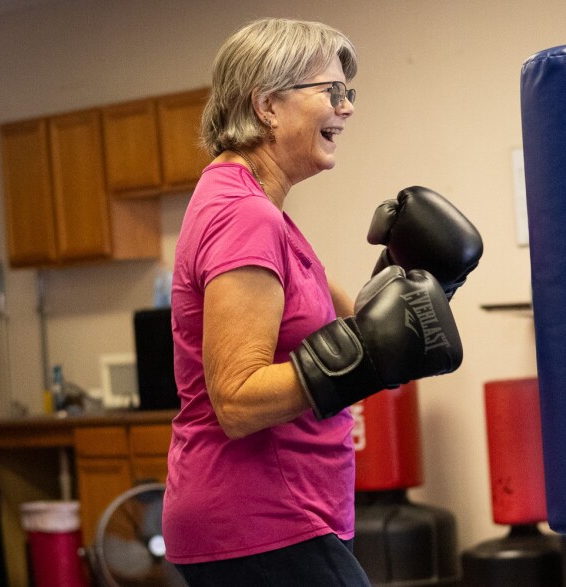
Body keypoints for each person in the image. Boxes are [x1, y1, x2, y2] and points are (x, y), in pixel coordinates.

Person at [163, 17, 472, 586]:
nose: (347, 106)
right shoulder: (243, 215)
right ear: (267, 105)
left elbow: (356, 329)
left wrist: (416, 284)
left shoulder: (261, 211)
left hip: (285, 517)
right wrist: (371, 349)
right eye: (331, 91)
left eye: (347, 92)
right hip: (257, 520)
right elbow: (236, 400)